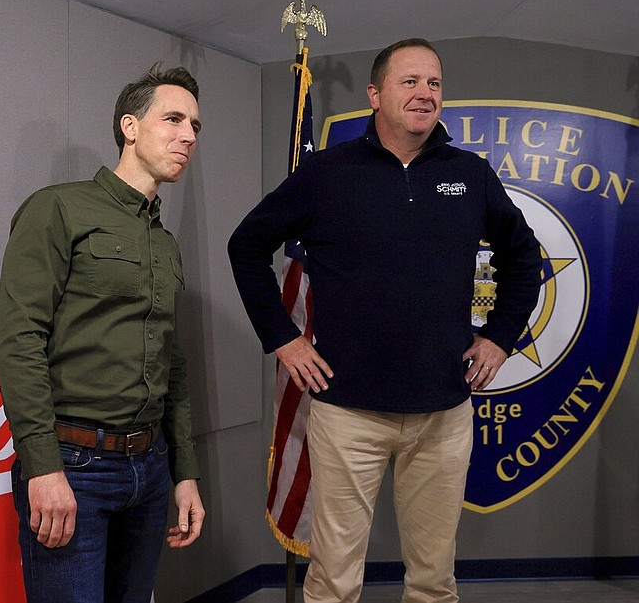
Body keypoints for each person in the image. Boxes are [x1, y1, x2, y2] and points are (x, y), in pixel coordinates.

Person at [228, 38, 542, 603]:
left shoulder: (468, 174)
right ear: (375, 94)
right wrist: (284, 340)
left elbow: (523, 256)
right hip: (348, 413)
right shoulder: (327, 172)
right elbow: (247, 246)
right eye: (410, 82)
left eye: (434, 84)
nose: (425, 94)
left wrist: (499, 338)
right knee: (334, 580)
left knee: (433, 581)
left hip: (442, 415)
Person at [0, 63, 205, 603]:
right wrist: (42, 468)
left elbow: (172, 365)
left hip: (150, 467)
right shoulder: (58, 209)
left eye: (195, 126)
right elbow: (20, 341)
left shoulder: (165, 243)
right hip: (74, 468)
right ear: (130, 126)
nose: (187, 136)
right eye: (174, 119)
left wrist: (184, 472)